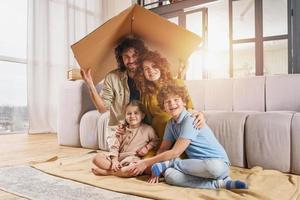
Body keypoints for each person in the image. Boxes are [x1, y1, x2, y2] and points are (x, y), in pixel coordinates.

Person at [128, 84, 248, 190]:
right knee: (170, 175)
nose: (172, 104)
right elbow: (163, 149)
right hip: (194, 168)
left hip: (217, 165)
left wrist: (146, 163)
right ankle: (220, 184)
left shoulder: (190, 119)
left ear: (184, 102)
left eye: (176, 100)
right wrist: (156, 170)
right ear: (163, 107)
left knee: (214, 168)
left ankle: (170, 164)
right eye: (167, 102)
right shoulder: (171, 124)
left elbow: (175, 152)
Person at [80, 36, 148, 128]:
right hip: (120, 130)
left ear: (141, 56)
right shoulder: (112, 77)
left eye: (134, 56)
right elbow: (102, 109)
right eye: (126, 57)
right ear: (121, 58)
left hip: (145, 128)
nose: (131, 60)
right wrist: (90, 84)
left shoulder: (149, 74)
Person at [135, 50, 198, 140]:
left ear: (161, 66)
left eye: (154, 66)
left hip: (180, 134)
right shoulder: (146, 94)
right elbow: (147, 121)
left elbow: (190, 109)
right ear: (143, 73)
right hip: (158, 136)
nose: (151, 71)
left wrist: (199, 115)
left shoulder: (178, 83)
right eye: (146, 69)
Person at [92, 100, 159, 177]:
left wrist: (147, 148)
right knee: (96, 158)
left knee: (133, 169)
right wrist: (114, 161)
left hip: (132, 158)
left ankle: (108, 172)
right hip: (118, 157)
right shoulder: (122, 130)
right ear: (125, 116)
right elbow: (114, 147)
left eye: (136, 113)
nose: (132, 116)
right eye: (129, 114)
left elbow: (155, 141)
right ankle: (118, 170)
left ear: (142, 115)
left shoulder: (148, 129)